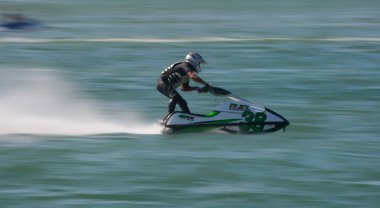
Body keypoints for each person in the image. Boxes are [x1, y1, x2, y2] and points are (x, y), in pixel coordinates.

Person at [157, 52, 211, 120]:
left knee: (183, 103)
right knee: (174, 96)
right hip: (162, 82)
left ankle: (188, 119)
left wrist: (197, 88)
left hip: (166, 85)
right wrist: (206, 84)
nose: (199, 65)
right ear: (194, 61)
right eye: (199, 63)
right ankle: (168, 117)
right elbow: (193, 77)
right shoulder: (185, 65)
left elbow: (184, 88)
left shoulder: (186, 73)